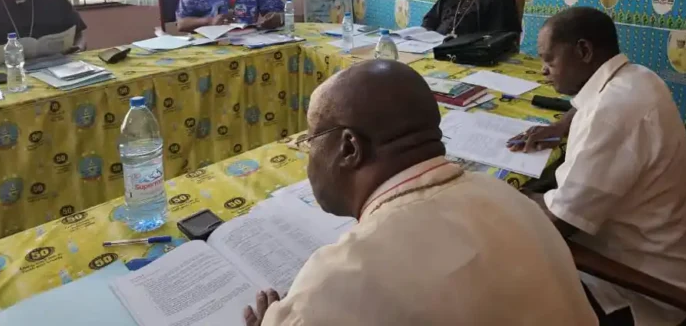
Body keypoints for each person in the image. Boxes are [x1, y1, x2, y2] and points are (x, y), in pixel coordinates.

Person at [243, 60, 597, 326]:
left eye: (310, 140)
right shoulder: (515, 201)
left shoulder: (334, 284)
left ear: (349, 149)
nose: (308, 154)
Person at [507, 7, 686, 326]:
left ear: (584, 51)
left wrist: (506, 195)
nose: (543, 70)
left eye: (549, 60)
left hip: (643, 290)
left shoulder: (609, 114)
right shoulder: (637, 76)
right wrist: (561, 125)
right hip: (675, 258)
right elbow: (591, 103)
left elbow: (558, 222)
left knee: (504, 275)